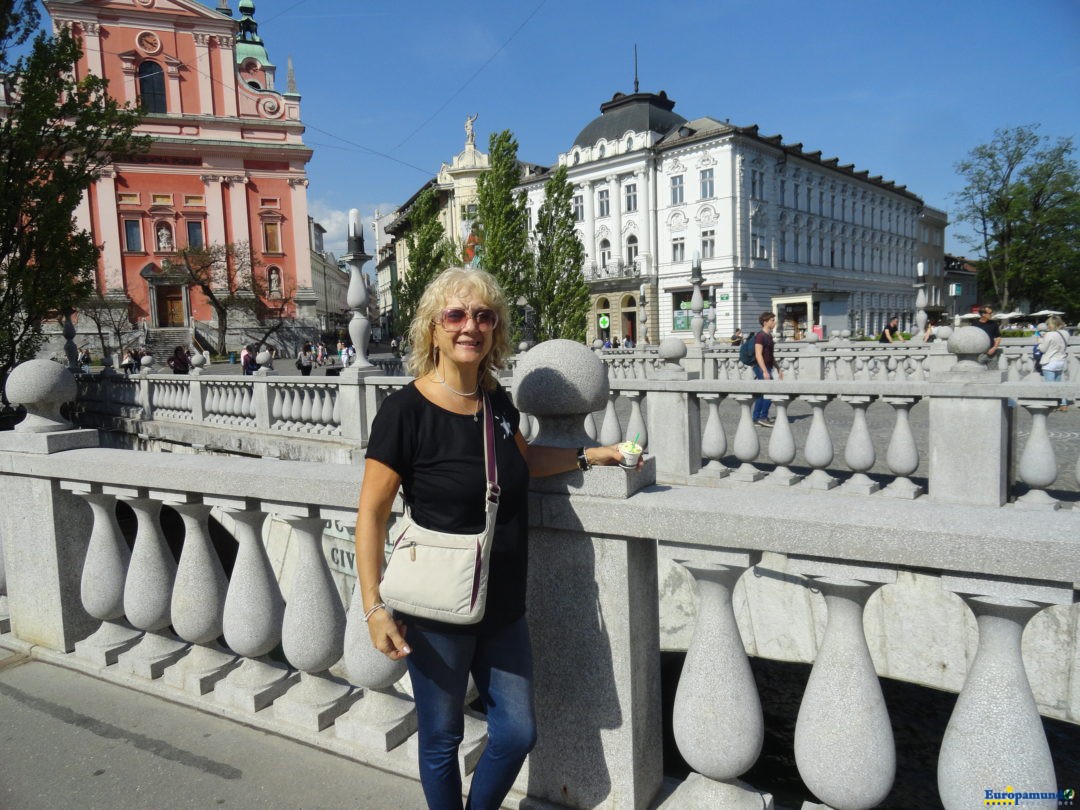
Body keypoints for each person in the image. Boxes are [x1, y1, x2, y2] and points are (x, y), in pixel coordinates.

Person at [355, 267, 634, 810]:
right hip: (435, 605)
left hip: (503, 602)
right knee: (442, 738)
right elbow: (371, 514)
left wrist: (590, 454)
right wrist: (373, 608)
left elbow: (523, 464)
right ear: (433, 329)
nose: (471, 327)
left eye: (484, 316)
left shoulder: (496, 405)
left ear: (495, 331)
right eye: (456, 315)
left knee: (516, 732)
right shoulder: (404, 412)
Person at [752, 311, 781, 427]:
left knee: (762, 394)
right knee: (769, 392)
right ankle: (762, 417)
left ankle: (756, 418)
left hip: (767, 367)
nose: (775, 322)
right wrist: (764, 371)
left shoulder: (769, 336)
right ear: (765, 322)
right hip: (760, 367)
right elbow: (758, 354)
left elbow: (770, 355)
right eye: (772, 320)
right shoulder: (760, 336)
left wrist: (778, 368)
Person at [1036, 315, 1070, 411]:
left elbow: (1043, 349)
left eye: (1048, 324)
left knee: (1049, 385)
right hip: (1060, 361)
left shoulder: (1050, 334)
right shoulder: (1066, 333)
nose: (1047, 326)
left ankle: (1052, 404)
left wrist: (1039, 343)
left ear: (1052, 324)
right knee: (1059, 384)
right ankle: (1063, 403)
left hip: (1049, 362)